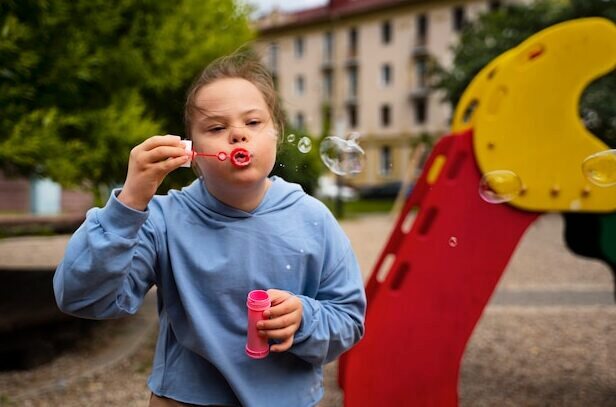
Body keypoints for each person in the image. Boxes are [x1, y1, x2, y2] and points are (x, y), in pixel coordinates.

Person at [53, 49, 366, 407]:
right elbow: (81, 297)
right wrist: (128, 203)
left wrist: (305, 319)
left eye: (252, 123)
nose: (237, 136)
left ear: (276, 133)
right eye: (216, 128)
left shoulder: (314, 218)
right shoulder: (163, 220)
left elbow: (349, 319)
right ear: (191, 150)